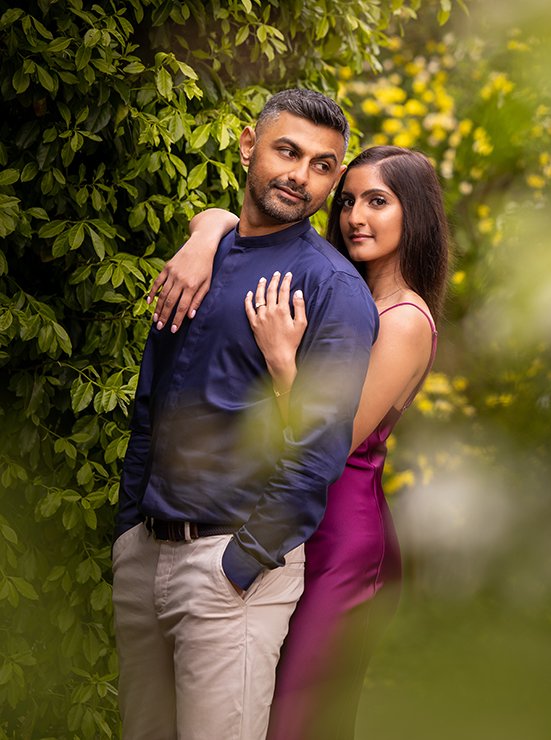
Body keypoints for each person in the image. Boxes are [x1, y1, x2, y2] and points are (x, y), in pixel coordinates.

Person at [153, 145, 450, 739]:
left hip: (343, 535)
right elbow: (232, 221)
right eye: (347, 202)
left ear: (413, 213)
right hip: (298, 520)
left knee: (297, 720)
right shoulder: (344, 291)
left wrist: (284, 359)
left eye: (377, 201)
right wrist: (208, 228)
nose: (355, 217)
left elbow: (331, 438)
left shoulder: (404, 320)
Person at [112, 89, 379, 740]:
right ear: (246, 145)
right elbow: (158, 395)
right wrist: (128, 534)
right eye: (287, 151)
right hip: (147, 554)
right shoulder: (205, 255)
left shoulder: (333, 291)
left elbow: (320, 446)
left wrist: (244, 561)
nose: (300, 175)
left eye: (322, 165)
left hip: (234, 571)